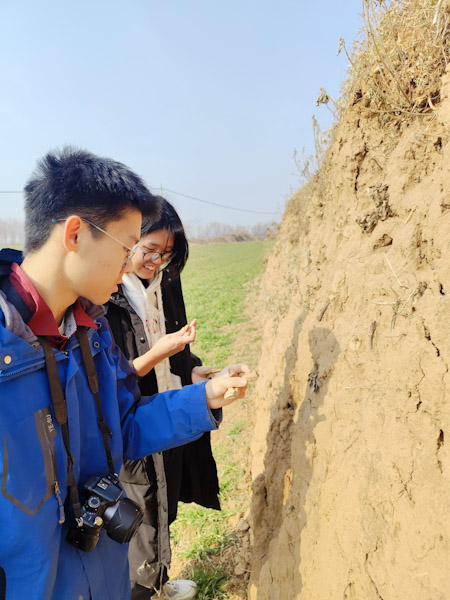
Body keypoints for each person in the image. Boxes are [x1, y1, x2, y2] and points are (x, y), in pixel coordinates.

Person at [0, 147, 248, 600]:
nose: (134, 260)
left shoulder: (89, 335)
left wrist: (204, 396)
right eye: (126, 245)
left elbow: (125, 424)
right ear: (74, 234)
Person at [105, 198, 220, 600]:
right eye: (149, 251)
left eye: (166, 255)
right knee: (137, 517)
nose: (156, 263)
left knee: (164, 504)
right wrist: (159, 352)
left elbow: (177, 355)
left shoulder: (165, 285)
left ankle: (158, 583)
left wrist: (189, 372)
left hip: (168, 417)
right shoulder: (107, 293)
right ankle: (140, 588)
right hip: (136, 427)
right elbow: (109, 378)